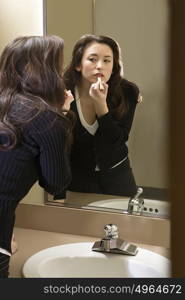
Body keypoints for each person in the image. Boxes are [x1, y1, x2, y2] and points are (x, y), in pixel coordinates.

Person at [0, 35, 74, 277]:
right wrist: (62, 116)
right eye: (57, 66)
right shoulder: (46, 120)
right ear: (43, 71)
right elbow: (56, 184)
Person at [63, 34, 142, 197]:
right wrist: (59, 193)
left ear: (113, 66)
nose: (100, 66)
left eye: (107, 60)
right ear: (78, 64)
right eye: (92, 59)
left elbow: (117, 143)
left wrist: (101, 106)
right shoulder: (62, 93)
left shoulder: (127, 92)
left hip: (118, 179)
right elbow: (58, 147)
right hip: (77, 182)